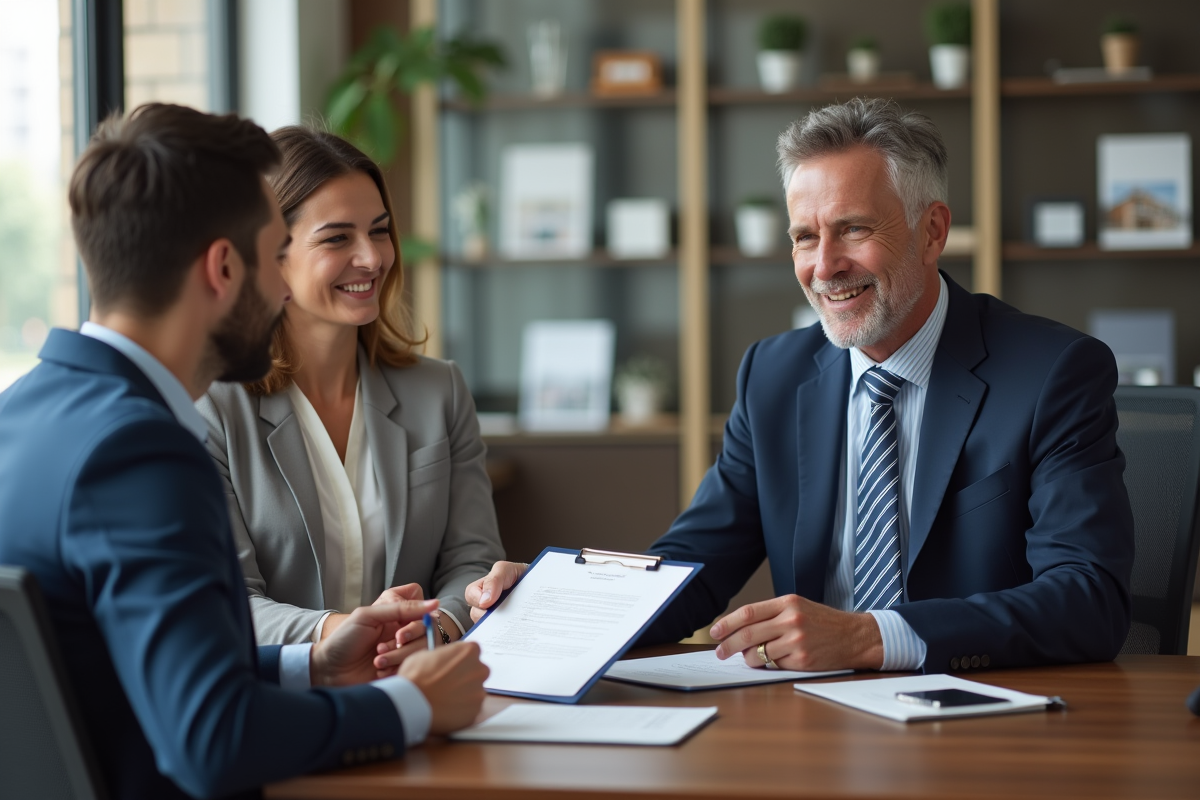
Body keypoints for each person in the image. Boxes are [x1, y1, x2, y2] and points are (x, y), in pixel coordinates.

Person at [466, 98, 1135, 675]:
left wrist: (869, 636)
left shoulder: (1052, 372)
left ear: (932, 232)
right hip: (811, 714)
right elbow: (695, 566)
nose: (824, 267)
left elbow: (1087, 599)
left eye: (853, 229)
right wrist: (564, 600)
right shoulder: (775, 375)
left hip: (985, 714)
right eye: (804, 237)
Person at [0, 104, 488, 800]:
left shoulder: (22, 412)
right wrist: (409, 707)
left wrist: (313, 665)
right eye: (271, 255)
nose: (280, 288)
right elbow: (211, 739)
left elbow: (125, 668)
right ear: (225, 268)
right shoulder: (142, 452)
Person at [196, 126, 504, 650]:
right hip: (286, 706)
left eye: (379, 230)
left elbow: (471, 561)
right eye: (338, 237)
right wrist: (343, 633)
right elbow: (228, 602)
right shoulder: (213, 406)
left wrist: (435, 627)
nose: (372, 257)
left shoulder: (440, 392)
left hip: (421, 688)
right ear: (269, 256)